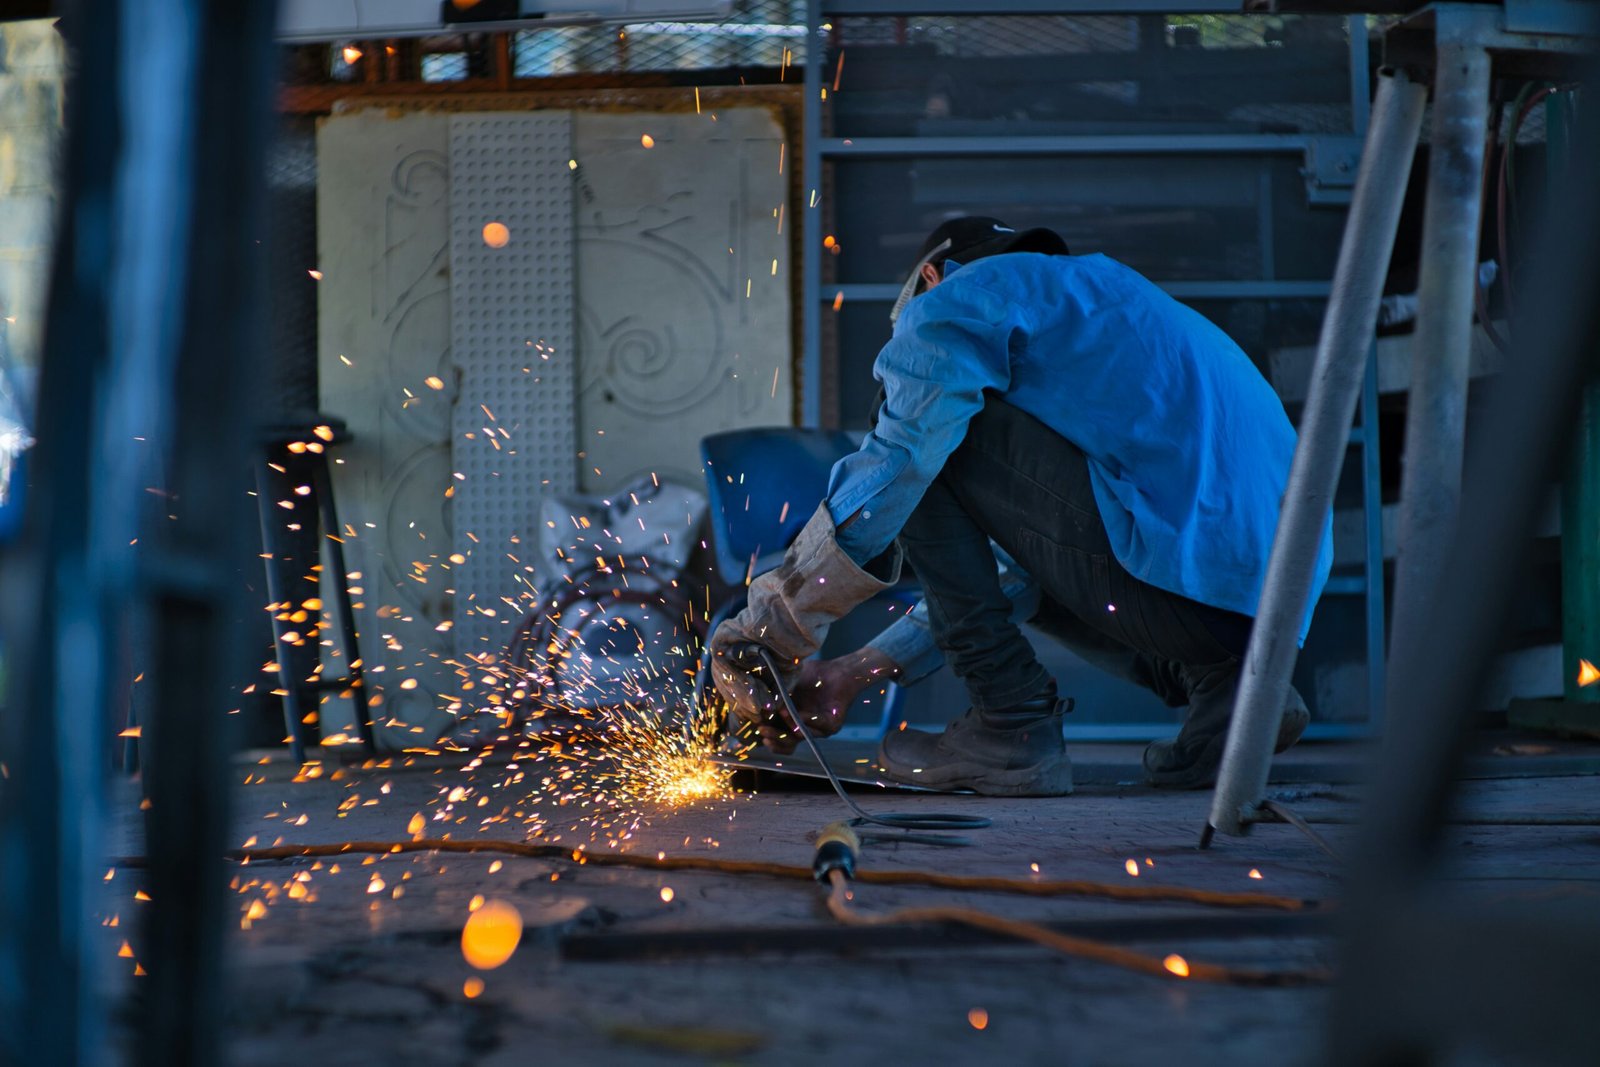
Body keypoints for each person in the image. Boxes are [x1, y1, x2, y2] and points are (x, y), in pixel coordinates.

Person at [711, 217, 1332, 795]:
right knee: (949, 436)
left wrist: (774, 625)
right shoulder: (1117, 310)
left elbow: (902, 459)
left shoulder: (964, 293)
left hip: (1186, 598)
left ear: (930, 277)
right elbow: (1032, 570)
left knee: (922, 429)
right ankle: (1242, 695)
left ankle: (1012, 725)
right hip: (1268, 623)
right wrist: (857, 670)